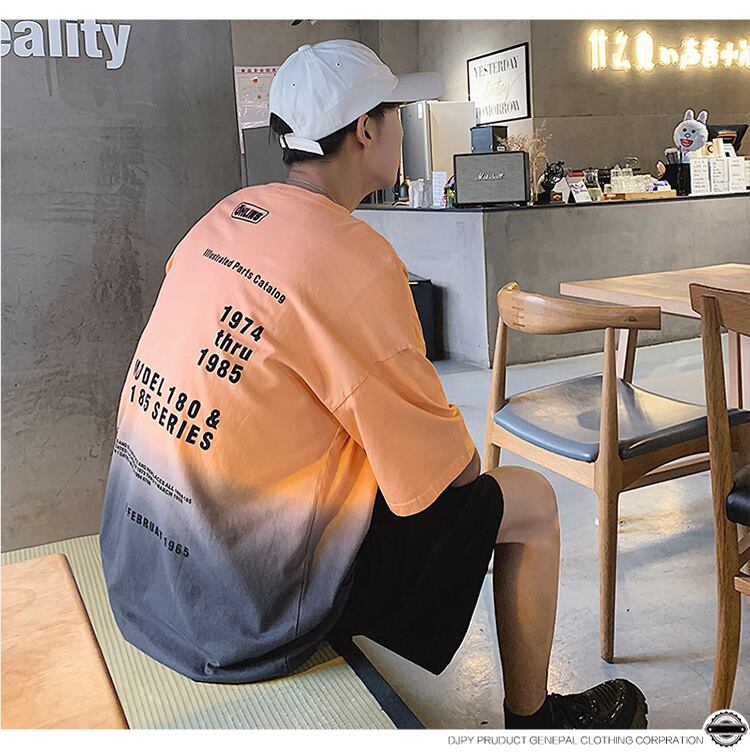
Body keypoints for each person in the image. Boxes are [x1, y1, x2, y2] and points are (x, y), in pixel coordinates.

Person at [98, 39, 648, 730]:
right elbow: (447, 476)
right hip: (240, 612)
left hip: (137, 571)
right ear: (366, 129)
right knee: (529, 501)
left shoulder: (225, 217)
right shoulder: (354, 259)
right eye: (395, 114)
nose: (399, 127)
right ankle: (536, 720)